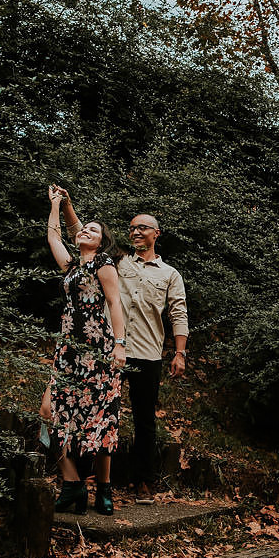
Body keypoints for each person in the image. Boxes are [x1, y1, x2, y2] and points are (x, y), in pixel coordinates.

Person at [60, 190, 188, 505]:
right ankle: (89, 479)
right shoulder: (115, 261)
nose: (135, 231)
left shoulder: (170, 274)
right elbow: (83, 236)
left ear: (157, 233)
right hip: (108, 352)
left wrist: (180, 352)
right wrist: (66, 205)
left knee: (144, 419)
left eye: (142, 227)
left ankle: (143, 481)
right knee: (96, 411)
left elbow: (178, 313)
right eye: (131, 228)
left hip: (147, 355)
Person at [40, 185, 127, 515]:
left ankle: (103, 489)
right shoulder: (72, 269)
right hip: (67, 348)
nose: (85, 231)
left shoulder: (103, 262)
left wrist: (120, 345)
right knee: (50, 413)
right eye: (84, 228)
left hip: (97, 348)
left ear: (100, 241)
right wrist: (56, 205)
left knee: (101, 416)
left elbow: (115, 302)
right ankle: (73, 483)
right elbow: (53, 238)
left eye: (93, 230)